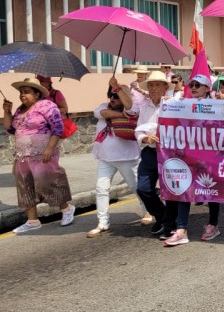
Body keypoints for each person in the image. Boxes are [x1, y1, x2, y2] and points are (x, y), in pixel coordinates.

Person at [2, 78, 75, 234]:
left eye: (27, 92)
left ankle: (66, 209)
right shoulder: (20, 110)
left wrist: (49, 148)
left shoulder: (47, 106)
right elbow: (10, 129)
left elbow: (58, 128)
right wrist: (7, 112)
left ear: (37, 93)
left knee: (48, 182)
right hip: (23, 155)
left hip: (43, 154)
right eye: (21, 92)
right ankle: (32, 220)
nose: (22, 95)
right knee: (25, 186)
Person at [161, 75, 222, 246]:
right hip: (187, 156)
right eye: (192, 85)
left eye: (198, 85)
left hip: (209, 156)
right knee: (184, 188)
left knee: (210, 191)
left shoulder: (216, 106)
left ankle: (213, 225)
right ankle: (181, 230)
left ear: (207, 88)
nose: (193, 87)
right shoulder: (182, 104)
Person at [88, 78, 145, 236]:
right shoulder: (103, 107)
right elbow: (103, 113)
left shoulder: (133, 109)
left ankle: (147, 211)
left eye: (116, 96)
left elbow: (131, 109)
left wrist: (117, 87)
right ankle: (103, 222)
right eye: (110, 95)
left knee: (136, 187)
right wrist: (123, 115)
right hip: (105, 158)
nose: (112, 99)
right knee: (101, 189)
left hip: (127, 158)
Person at [132, 71, 170, 235]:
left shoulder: (172, 104)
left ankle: (172, 222)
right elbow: (138, 130)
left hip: (168, 153)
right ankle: (162, 216)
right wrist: (146, 139)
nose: (154, 88)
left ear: (165, 88)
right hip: (150, 152)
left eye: (157, 85)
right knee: (143, 188)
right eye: (151, 85)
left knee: (171, 189)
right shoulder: (144, 108)